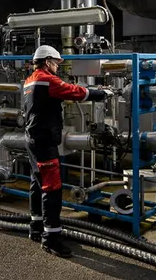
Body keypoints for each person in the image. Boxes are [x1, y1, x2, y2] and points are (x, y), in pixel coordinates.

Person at [23, 44, 114, 258]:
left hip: (32, 139)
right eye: (56, 63)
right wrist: (101, 93)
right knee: (52, 188)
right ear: (47, 62)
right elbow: (73, 91)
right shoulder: (47, 80)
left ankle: (35, 228)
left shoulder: (29, 80)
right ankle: (51, 239)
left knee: (37, 184)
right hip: (44, 141)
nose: (57, 67)